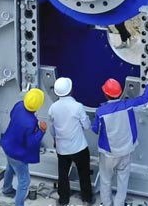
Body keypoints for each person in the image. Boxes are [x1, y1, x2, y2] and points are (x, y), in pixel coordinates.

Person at [92, 67, 148, 206]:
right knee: (123, 181)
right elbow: (146, 98)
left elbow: (95, 129)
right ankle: (119, 203)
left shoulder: (101, 112)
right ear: (120, 92)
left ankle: (106, 203)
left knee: (105, 180)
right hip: (126, 150)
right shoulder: (128, 105)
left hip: (108, 154)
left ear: (105, 94)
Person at [48, 77, 93, 206]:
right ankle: (86, 199)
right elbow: (87, 126)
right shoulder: (78, 107)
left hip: (62, 148)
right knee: (84, 173)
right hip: (79, 147)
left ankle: (63, 200)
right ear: (71, 90)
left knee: (62, 174)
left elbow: (52, 129)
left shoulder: (53, 108)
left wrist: (56, 139)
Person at [0, 88, 47, 206]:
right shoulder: (31, 122)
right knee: (24, 181)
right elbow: (32, 143)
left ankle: (7, 189)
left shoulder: (19, 105)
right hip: (18, 154)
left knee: (10, 167)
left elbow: (12, 115)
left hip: (8, 145)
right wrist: (41, 131)